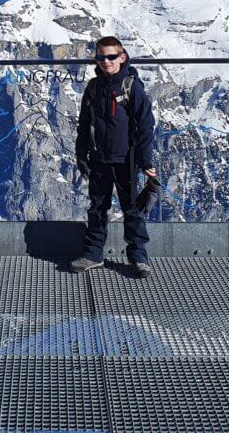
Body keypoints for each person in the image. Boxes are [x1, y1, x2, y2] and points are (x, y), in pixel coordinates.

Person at [71, 35, 158, 277]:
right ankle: (93, 255)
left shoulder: (132, 86)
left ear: (122, 57)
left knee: (132, 209)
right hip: (98, 159)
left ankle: (138, 257)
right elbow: (84, 124)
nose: (106, 61)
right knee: (97, 207)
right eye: (101, 57)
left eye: (111, 57)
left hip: (126, 160)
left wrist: (146, 160)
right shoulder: (93, 87)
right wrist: (81, 154)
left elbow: (145, 125)